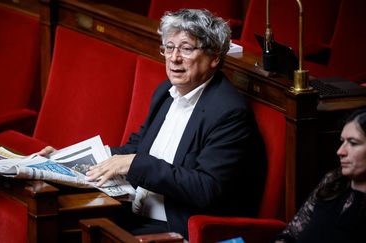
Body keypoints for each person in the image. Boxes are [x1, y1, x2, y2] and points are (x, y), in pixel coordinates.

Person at [39, 9, 266, 239]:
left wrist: (137, 164)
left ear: (214, 56)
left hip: (176, 227)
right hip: (135, 209)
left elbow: (206, 188)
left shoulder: (229, 112)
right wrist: (68, 158)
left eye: (186, 49)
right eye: (169, 47)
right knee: (58, 217)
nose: (174, 58)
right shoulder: (165, 93)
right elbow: (134, 149)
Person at [274, 108, 366, 243]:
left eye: (353, 143)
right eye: (342, 141)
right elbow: (291, 234)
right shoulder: (333, 182)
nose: (340, 151)